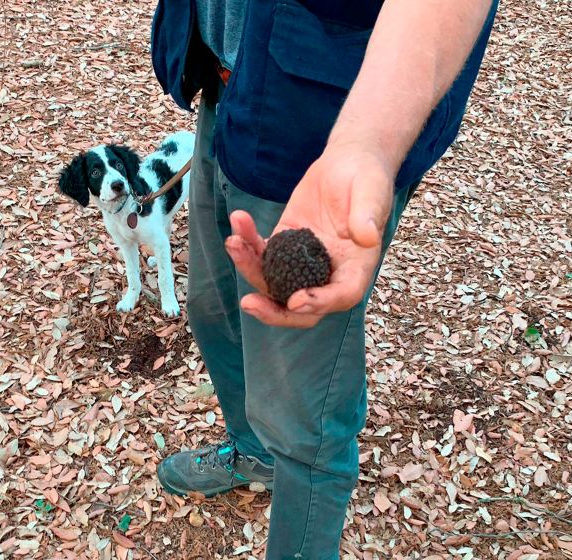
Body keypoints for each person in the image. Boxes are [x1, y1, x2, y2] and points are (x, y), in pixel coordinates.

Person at [150, 1, 499, 558]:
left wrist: (366, 144)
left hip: (322, 117)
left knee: (304, 412)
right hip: (225, 87)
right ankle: (253, 452)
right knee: (214, 310)